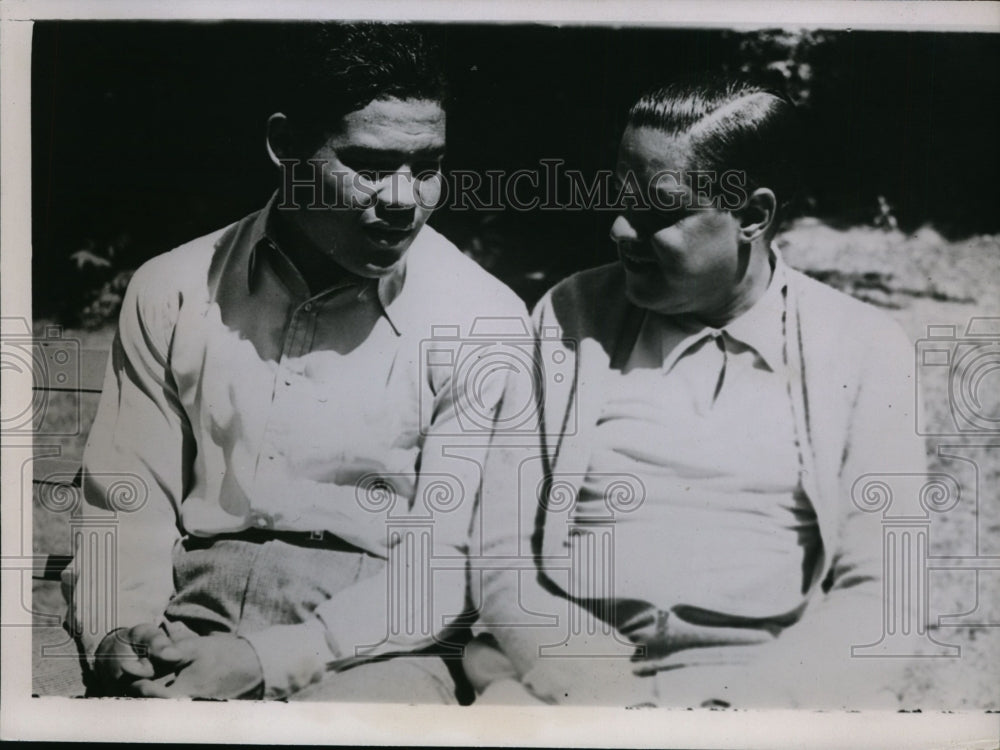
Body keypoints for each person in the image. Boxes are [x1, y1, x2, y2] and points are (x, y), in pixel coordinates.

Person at [62, 23, 528, 703]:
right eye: (369, 165)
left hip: (372, 651)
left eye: (427, 167)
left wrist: (260, 656)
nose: (404, 200)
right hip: (185, 622)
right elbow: (124, 505)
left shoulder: (483, 320)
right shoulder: (175, 287)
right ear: (284, 146)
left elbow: (446, 569)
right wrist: (122, 636)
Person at [467, 81, 927, 708]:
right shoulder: (571, 314)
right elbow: (501, 554)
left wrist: (747, 707)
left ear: (752, 216)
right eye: (618, 201)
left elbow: (884, 591)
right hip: (568, 677)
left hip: (766, 685)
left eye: (658, 211)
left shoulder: (864, 347)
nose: (620, 229)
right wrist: (592, 688)